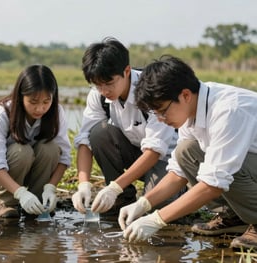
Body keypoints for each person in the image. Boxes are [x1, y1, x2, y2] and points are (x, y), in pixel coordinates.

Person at [119, 54, 257, 249]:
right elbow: (178, 172)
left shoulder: (228, 110)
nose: (160, 119)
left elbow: (213, 184)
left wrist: (157, 219)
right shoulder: (192, 110)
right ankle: (234, 216)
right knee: (186, 152)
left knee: (227, 167)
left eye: (162, 110)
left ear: (185, 95)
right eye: (155, 113)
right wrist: (143, 204)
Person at [71, 37, 181, 216]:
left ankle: (180, 189)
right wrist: (83, 184)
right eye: (98, 85)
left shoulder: (152, 90)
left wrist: (114, 188)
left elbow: (154, 150)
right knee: (99, 133)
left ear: (127, 71)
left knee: (157, 208)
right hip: (136, 153)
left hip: (166, 161)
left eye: (109, 83)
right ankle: (123, 197)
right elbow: (85, 139)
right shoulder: (97, 96)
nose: (104, 91)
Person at [0, 64, 71, 218]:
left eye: (46, 102)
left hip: (26, 168)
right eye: (33, 102)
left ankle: (38, 201)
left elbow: (64, 156)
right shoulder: (2, 113)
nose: (40, 108)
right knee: (22, 151)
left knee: (50, 148)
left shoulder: (56, 113)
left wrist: (50, 187)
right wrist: (20, 193)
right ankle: (7, 202)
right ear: (20, 96)